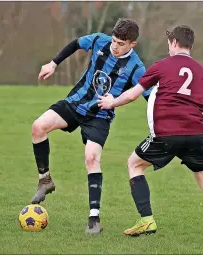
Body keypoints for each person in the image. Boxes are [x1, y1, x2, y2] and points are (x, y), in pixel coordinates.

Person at [97, 25, 203, 244]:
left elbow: (133, 94)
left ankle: (147, 220)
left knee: (134, 164)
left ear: (173, 43)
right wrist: (192, 128)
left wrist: (111, 102)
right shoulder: (202, 71)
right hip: (196, 135)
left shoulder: (162, 66)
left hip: (166, 134)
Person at [33, 18, 151, 235]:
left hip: (100, 115)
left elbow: (148, 96)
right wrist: (53, 63)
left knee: (91, 158)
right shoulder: (99, 40)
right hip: (76, 102)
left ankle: (94, 219)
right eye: (114, 41)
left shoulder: (137, 67)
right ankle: (45, 180)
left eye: (121, 44)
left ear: (132, 44)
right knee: (38, 127)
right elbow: (76, 43)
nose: (115, 46)